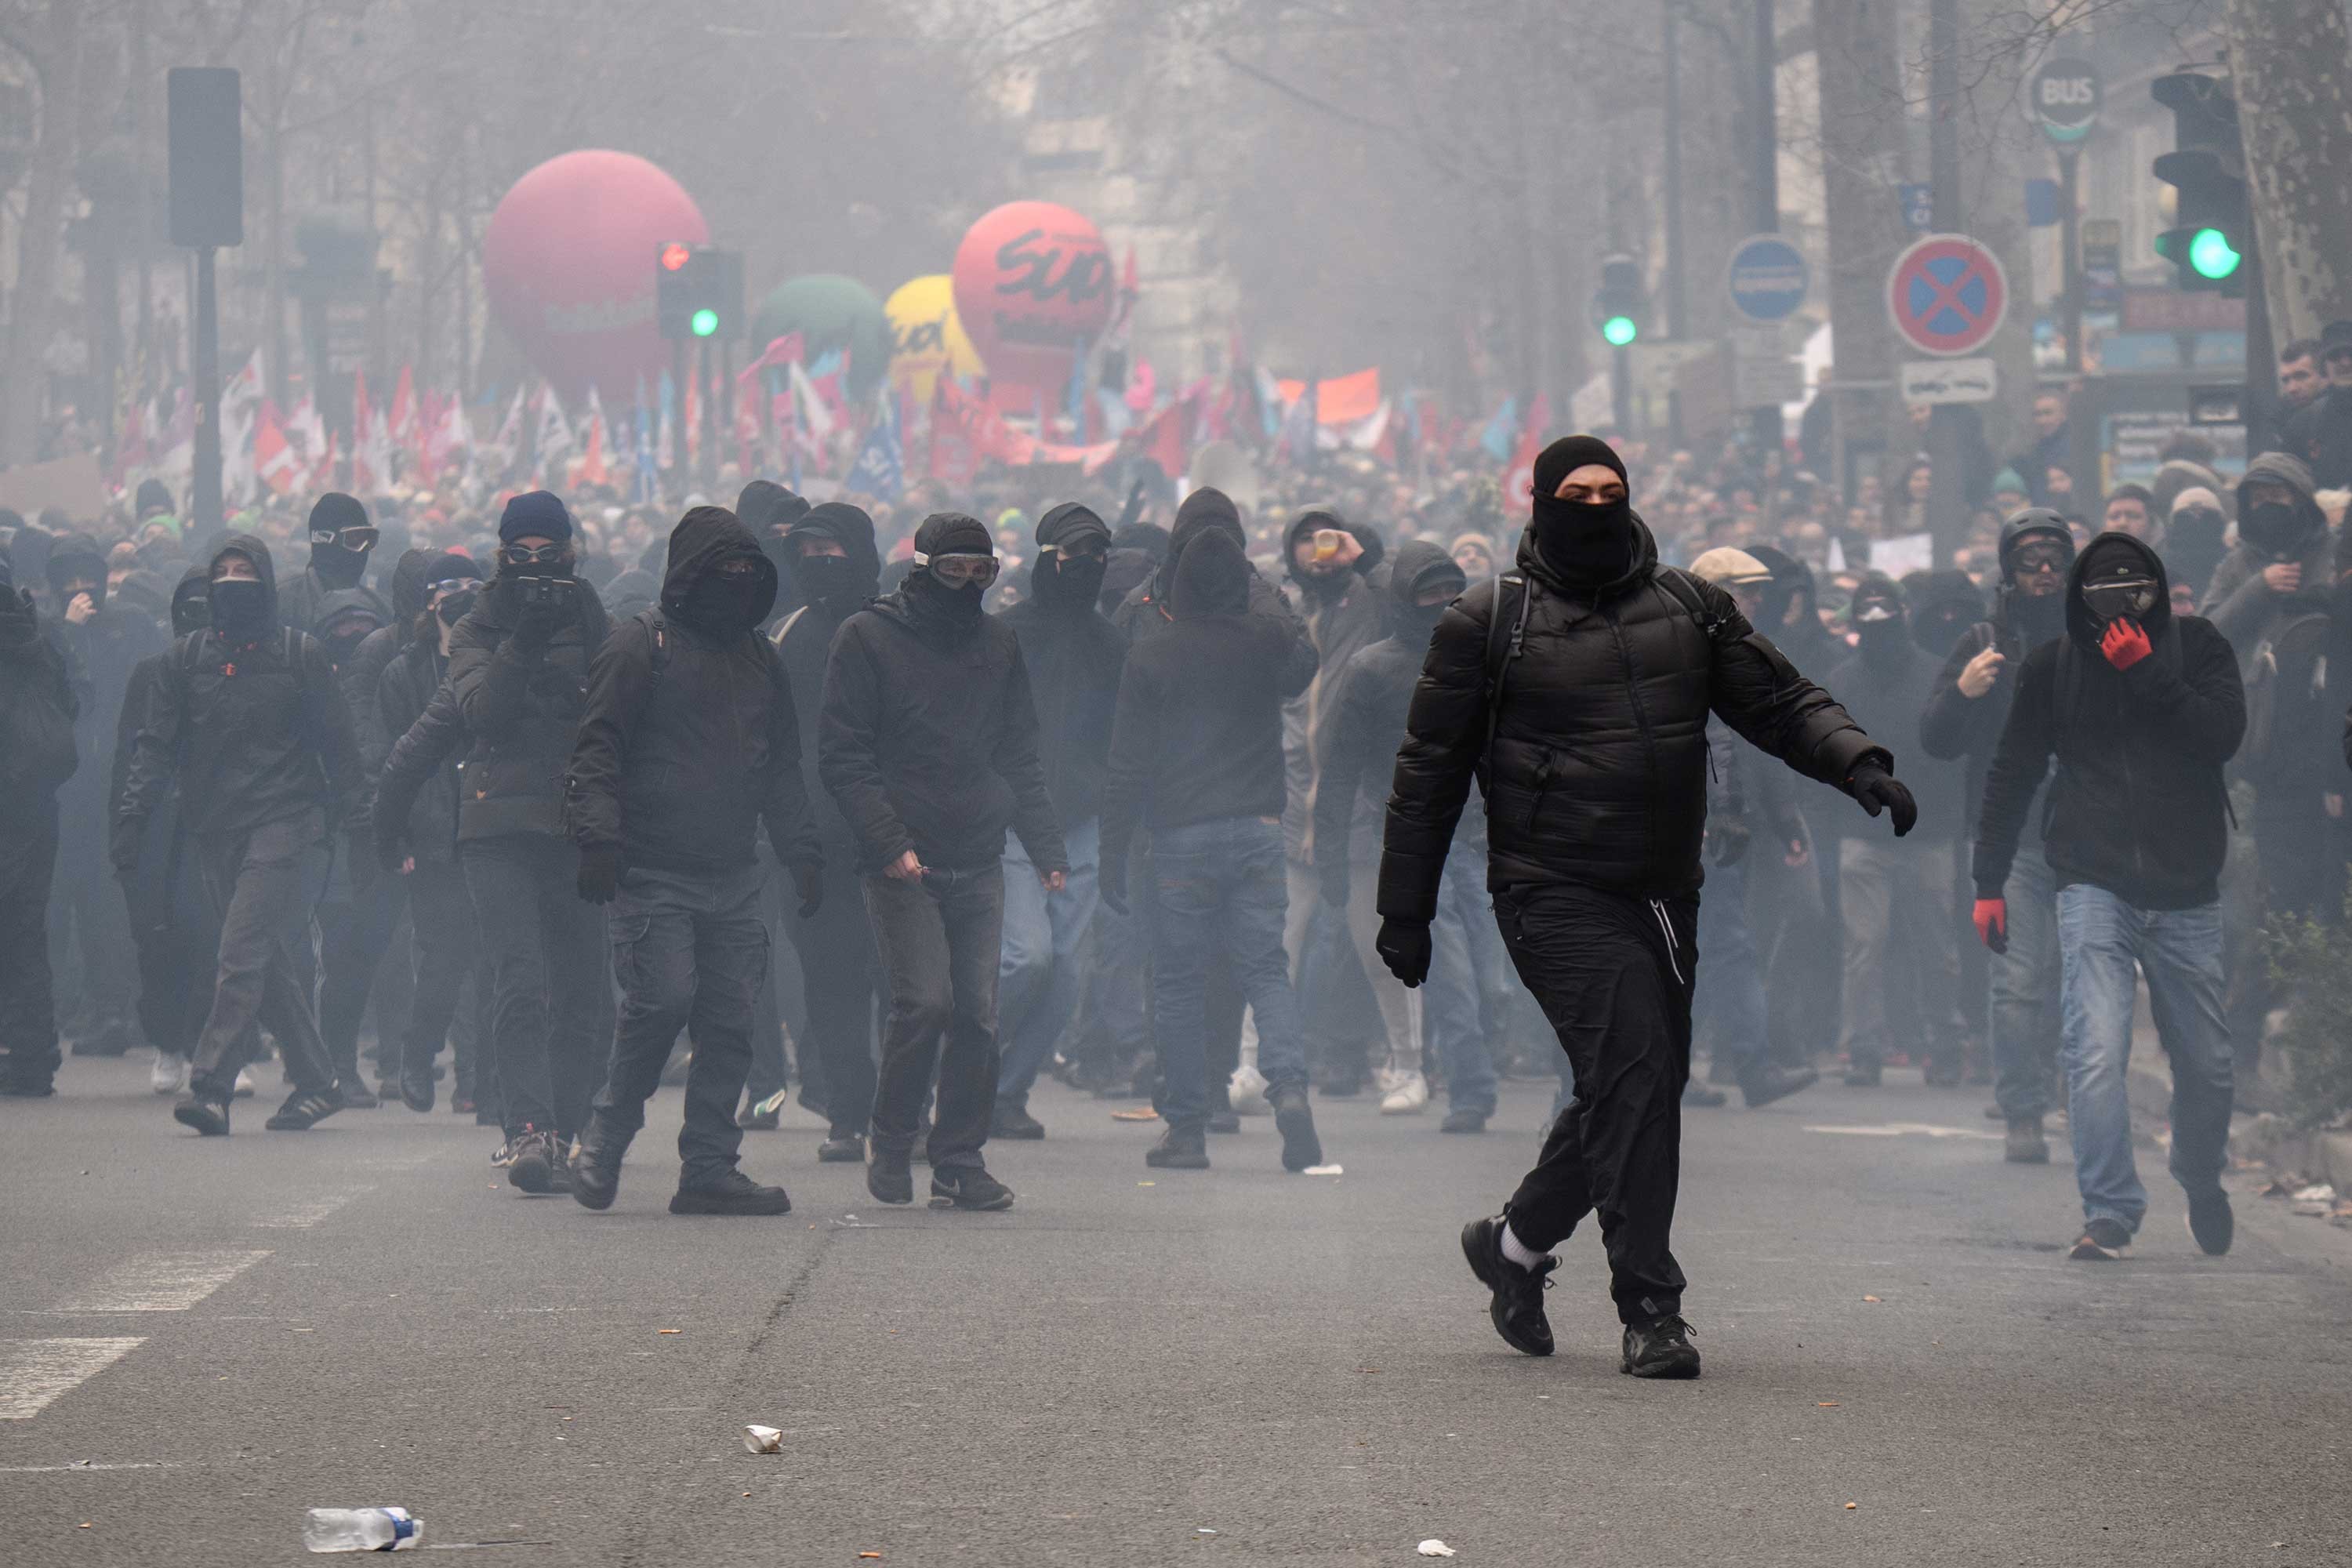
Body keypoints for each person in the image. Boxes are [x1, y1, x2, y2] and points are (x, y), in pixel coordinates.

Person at [1379, 436, 1910, 1378]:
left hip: (1663, 886)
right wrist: (1406, 909)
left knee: (1641, 1081)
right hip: (1547, 887)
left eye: (1610, 491)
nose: (1593, 505)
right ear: (1540, 503)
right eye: (1574, 493)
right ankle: (1651, 1308)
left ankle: (1512, 1246)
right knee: (1634, 1069)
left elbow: (1780, 701)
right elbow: (1429, 773)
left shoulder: (1689, 607)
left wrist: (1857, 760)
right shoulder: (1487, 619)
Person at [1973, 532, 2244, 1260]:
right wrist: (1989, 882)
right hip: (2091, 882)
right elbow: (2012, 771)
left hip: (2187, 888)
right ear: (2078, 598)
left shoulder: (2199, 648)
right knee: (2093, 1050)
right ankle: (2110, 1210)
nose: (2120, 604)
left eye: (2136, 589)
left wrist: (2149, 671)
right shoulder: (2054, 667)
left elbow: (2222, 737)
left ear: (2157, 590)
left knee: (2209, 1063)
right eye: (2102, 592)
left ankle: (2198, 1172)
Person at [567, 506, 822, 1216]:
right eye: (723, 570)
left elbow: (781, 767)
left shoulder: (760, 657)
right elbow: (597, 749)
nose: (735, 584)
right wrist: (598, 840)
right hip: (650, 870)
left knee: (733, 1019)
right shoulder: (638, 645)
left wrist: (801, 850)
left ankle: (709, 1164)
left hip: (735, 871)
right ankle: (606, 1138)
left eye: (748, 571)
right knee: (661, 1004)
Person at [818, 512, 1066, 1212]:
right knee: (925, 1003)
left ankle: (958, 1158)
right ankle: (893, 1138)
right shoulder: (867, 637)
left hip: (980, 851)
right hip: (903, 857)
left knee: (979, 1017)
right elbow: (844, 753)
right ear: (922, 567)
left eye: (980, 572)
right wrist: (887, 840)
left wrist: (1045, 845)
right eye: (952, 571)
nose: (966, 585)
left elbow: (1020, 751)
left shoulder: (998, 643)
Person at [115, 535, 359, 1134]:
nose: (232, 579)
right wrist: (132, 817)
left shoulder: (300, 654)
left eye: (244, 570)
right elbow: (154, 748)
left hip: (284, 820)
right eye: (221, 570)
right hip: (214, 827)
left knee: (240, 950)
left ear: (267, 581)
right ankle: (318, 1081)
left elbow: (339, 744)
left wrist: (360, 823)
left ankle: (212, 1084)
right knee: (262, 958)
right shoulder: (183, 661)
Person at [1102, 526, 1324, 1172]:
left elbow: (1126, 763)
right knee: (1264, 969)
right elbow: (1301, 663)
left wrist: (1115, 850)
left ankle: (1187, 1128)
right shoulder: (1262, 643)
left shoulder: (1152, 653)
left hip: (1180, 836)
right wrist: (1268, 598)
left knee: (1177, 982)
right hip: (1257, 829)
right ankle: (1289, 1092)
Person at [442, 491, 613, 1191]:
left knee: (583, 990)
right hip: (497, 825)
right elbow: (482, 710)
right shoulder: (477, 624)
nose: (538, 569)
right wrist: (525, 638)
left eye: (550, 555)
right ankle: (528, 1130)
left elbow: (614, 708)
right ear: (502, 559)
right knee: (517, 976)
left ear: (570, 554)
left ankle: (566, 1128)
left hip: (574, 820)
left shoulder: (591, 613)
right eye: (522, 557)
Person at [1316, 540, 1515, 1131]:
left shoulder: (1485, 659)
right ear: (1405, 599)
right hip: (1416, 835)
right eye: (1429, 593)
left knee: (1495, 973)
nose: (1442, 603)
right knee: (1451, 966)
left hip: (1481, 833)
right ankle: (1472, 1090)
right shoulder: (1371, 668)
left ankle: (1481, 1063)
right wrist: (1331, 853)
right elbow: (1340, 767)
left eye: (1451, 593)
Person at [1920, 511, 2074, 1162]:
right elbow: (1936, 739)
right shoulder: (1984, 640)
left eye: (2054, 559)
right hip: (2007, 841)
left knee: (2074, 980)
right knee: (2017, 982)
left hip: (2086, 836)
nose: (2042, 572)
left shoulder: (2093, 640)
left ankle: (2061, 1085)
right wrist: (1963, 690)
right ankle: (2023, 1110)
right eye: (2028, 560)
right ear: (2007, 569)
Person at [991, 503, 1121, 1138]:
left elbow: (1125, 734)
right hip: (1014, 819)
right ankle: (967, 1064)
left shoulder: (1108, 642)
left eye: (1099, 557)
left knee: (1067, 969)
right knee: (1027, 958)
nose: (1087, 568)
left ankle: (1006, 1093)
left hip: (1082, 824)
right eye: (1074, 555)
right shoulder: (1006, 633)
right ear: (1047, 559)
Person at [1680, 546, 1820, 1109]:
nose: (1758, 600)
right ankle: (1753, 1067)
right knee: (1723, 946)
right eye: (1746, 589)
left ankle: (1698, 1069)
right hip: (1698, 825)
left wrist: (1780, 818)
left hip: (1711, 822)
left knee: (1707, 946)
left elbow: (1763, 746)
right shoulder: (1703, 653)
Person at [768, 503, 885, 1162]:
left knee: (901, 984)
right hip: (811, 844)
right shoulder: (786, 637)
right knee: (830, 983)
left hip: (893, 840)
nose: (817, 564)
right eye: (806, 552)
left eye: (830, 551)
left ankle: (904, 1112)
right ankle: (848, 1114)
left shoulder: (895, 630)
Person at [1823, 572, 1970, 1087]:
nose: (1879, 619)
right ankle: (1865, 1046)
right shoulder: (1844, 680)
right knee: (1866, 947)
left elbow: (1954, 754)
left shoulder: (1935, 675)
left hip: (1924, 832)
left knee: (1935, 948)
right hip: (1866, 833)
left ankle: (1942, 1042)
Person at [370, 554, 488, 1116]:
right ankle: (418, 1052)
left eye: (472, 587)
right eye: (450, 590)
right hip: (434, 835)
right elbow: (395, 762)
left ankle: (481, 1080)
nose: (460, 598)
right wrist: (399, 838)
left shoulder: (500, 662)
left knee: (495, 961)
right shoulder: (403, 674)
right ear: (430, 602)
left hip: (492, 830)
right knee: (444, 958)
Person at [42, 533, 166, 1060]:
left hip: (115, 785)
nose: (81, 588)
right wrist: (69, 634)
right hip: (61, 791)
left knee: (106, 907)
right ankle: (54, 1012)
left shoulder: (129, 625)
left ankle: (115, 1011)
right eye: (68, 580)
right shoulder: (47, 632)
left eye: (86, 576)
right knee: (55, 906)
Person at [113, 566, 216, 1097]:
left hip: (213, 824)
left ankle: (213, 1048)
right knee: (157, 943)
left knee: (214, 939)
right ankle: (168, 1045)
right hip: (158, 828)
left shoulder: (234, 670)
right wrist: (125, 830)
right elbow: (129, 758)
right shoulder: (150, 673)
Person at [0, 555, 80, 1097]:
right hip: (33, 803)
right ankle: (33, 1057)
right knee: (27, 928)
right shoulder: (41, 633)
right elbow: (70, 704)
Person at [278, 492, 389, 636]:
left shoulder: (381, 606)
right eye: (354, 539)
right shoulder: (284, 601)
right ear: (324, 539)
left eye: (368, 540)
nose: (363, 549)